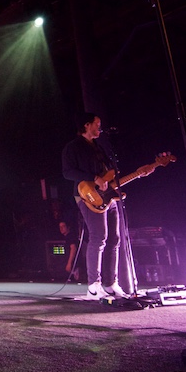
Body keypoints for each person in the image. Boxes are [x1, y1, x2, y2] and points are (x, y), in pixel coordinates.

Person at [61, 113, 126, 300]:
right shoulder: (72, 147)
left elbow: (109, 172)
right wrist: (94, 178)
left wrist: (139, 173)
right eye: (97, 124)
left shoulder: (99, 148)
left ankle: (111, 283)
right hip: (87, 195)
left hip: (109, 196)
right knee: (99, 237)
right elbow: (67, 172)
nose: (100, 127)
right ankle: (93, 286)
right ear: (86, 125)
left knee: (114, 238)